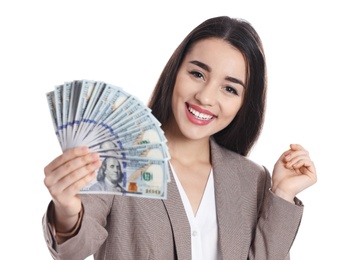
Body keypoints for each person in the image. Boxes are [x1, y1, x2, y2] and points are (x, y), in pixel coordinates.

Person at [42, 16, 317, 260]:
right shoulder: (118, 159)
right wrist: (66, 209)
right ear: (175, 72)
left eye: (230, 89)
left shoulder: (252, 179)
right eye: (197, 73)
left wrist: (282, 194)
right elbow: (73, 250)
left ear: (244, 102)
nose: (206, 97)